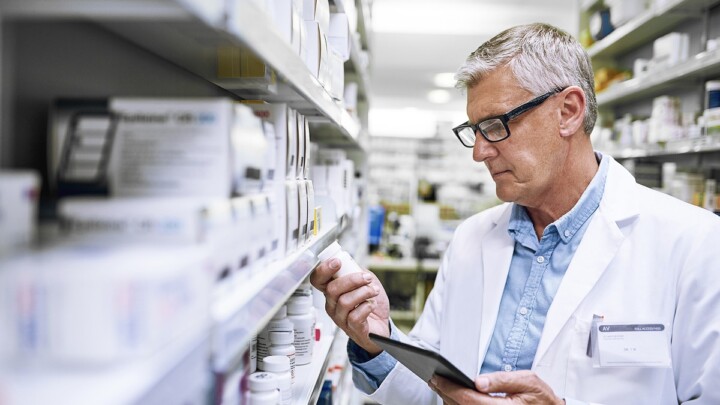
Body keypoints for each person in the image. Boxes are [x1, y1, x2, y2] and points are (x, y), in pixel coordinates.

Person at [310, 23, 720, 404]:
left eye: (496, 125)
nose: (479, 152)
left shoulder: (695, 245)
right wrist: (377, 339)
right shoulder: (471, 239)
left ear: (568, 111)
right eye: (474, 130)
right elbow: (435, 393)